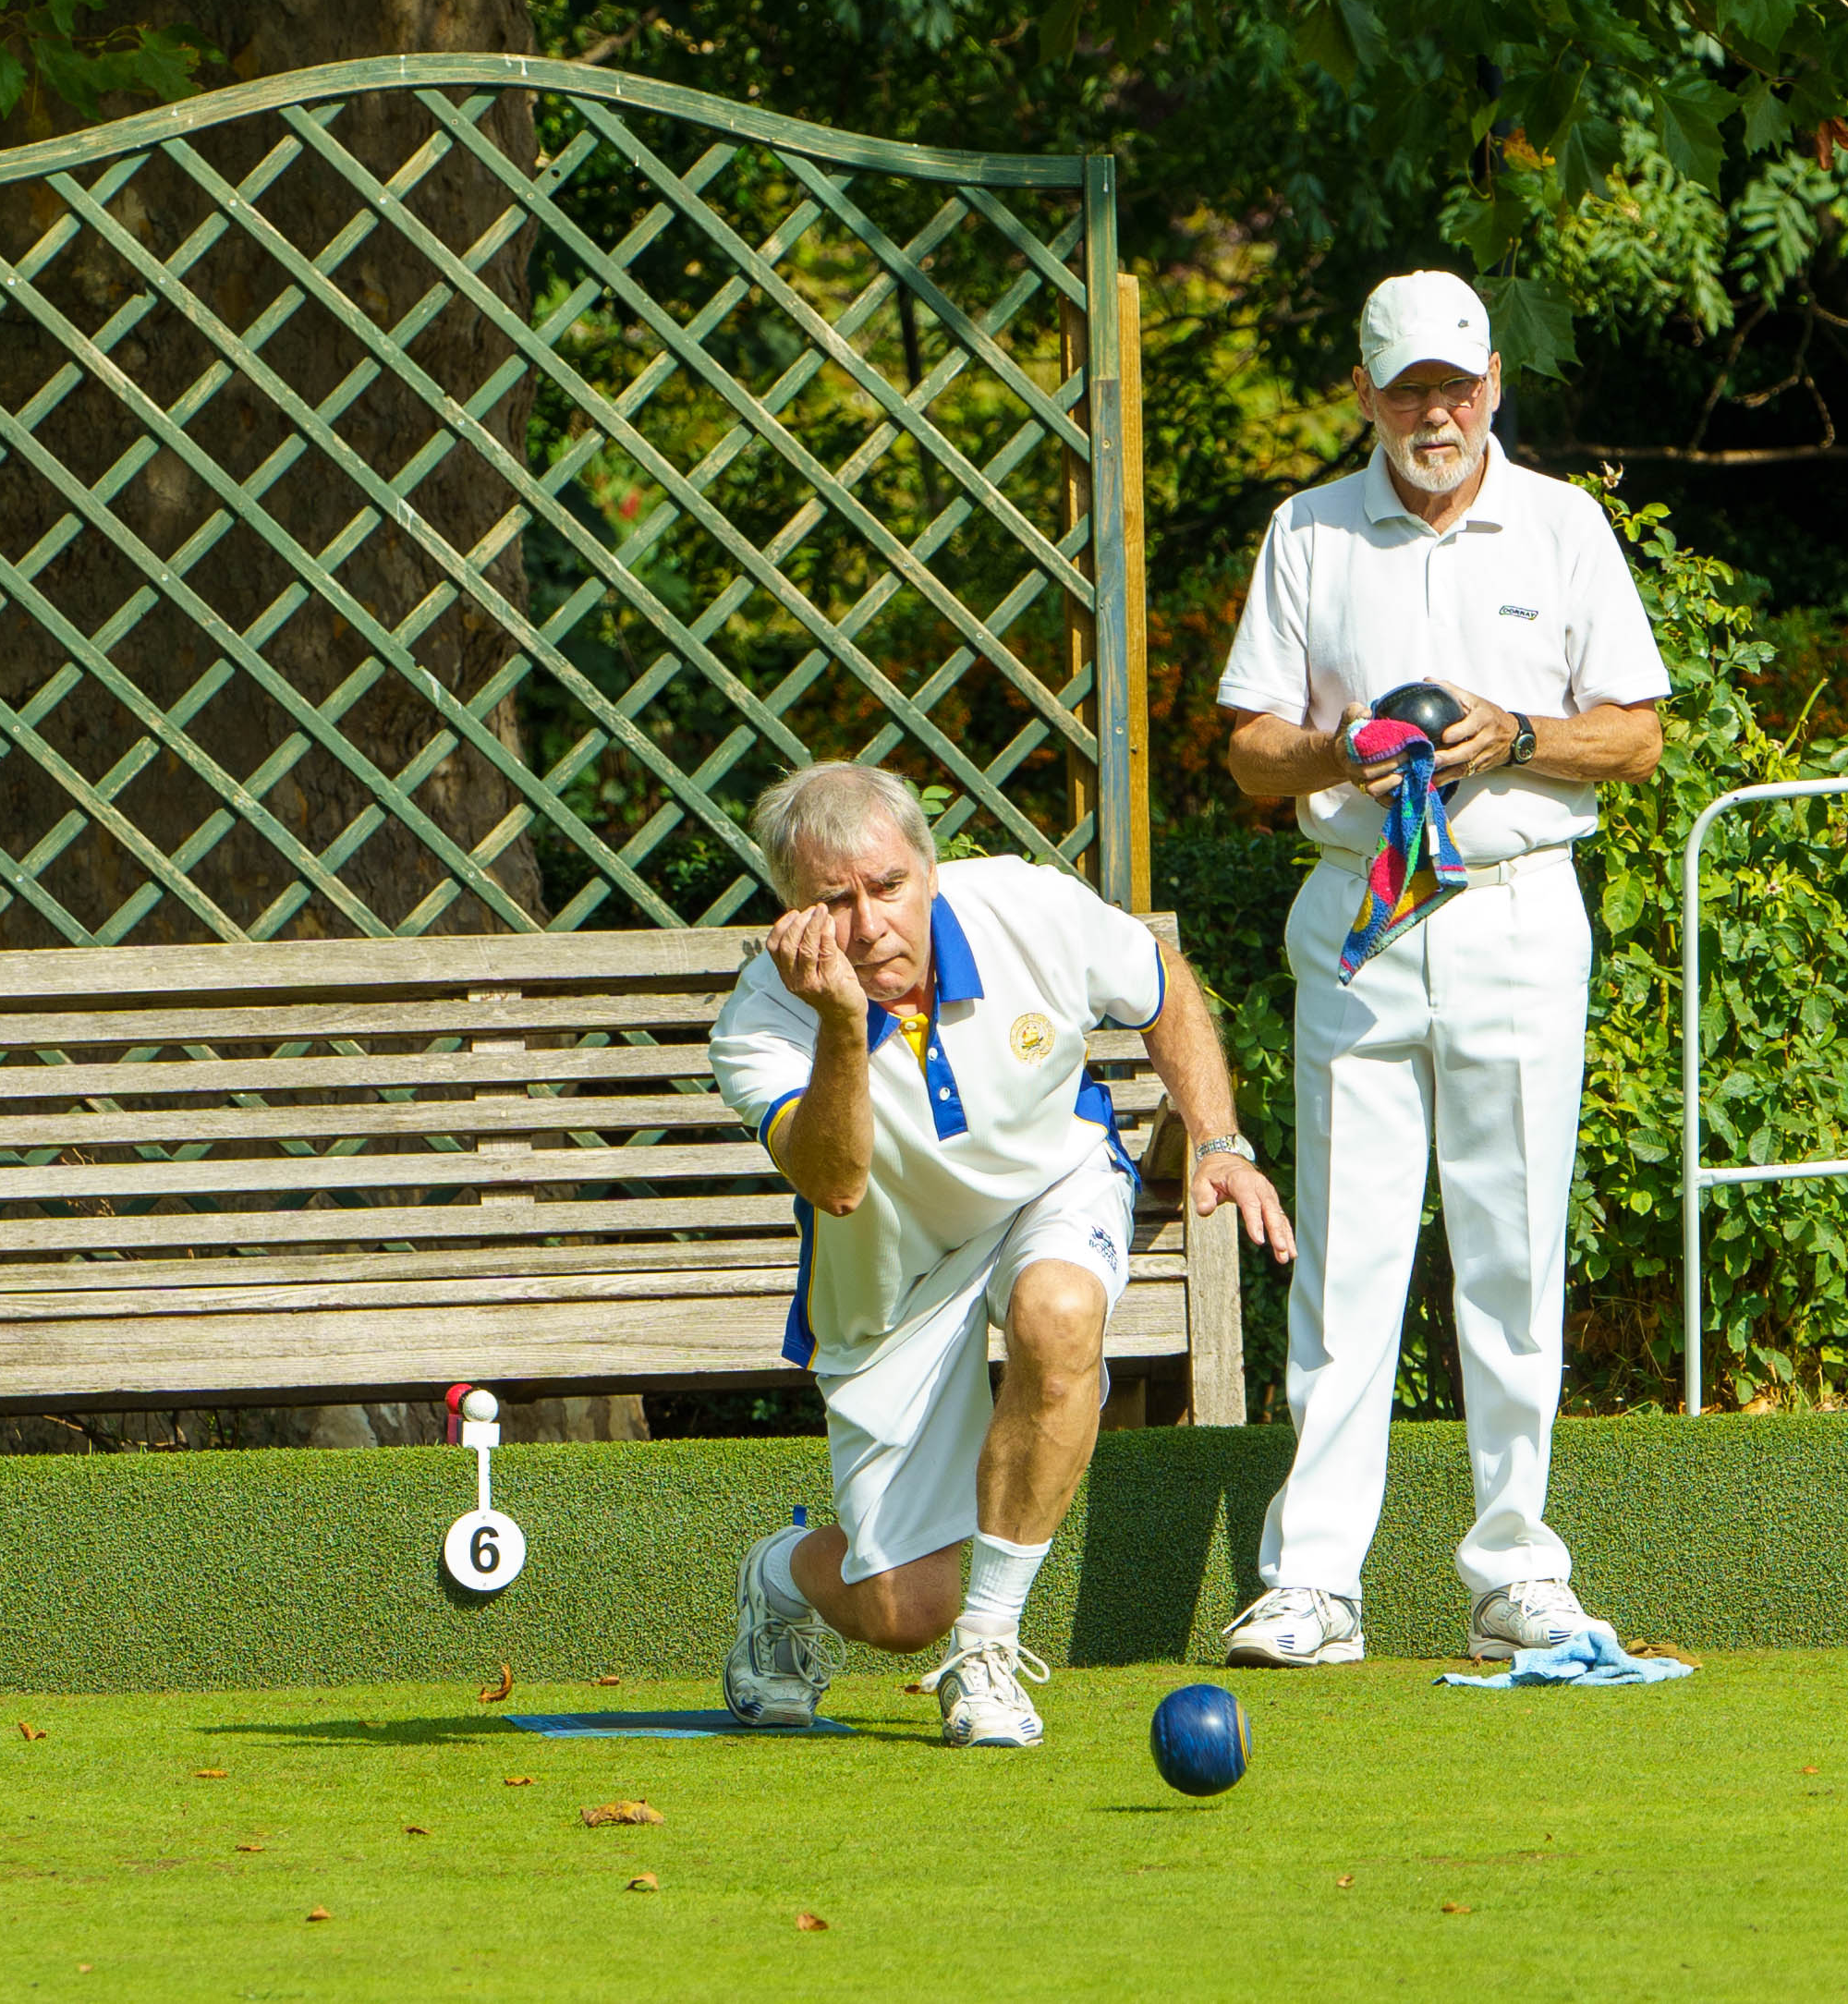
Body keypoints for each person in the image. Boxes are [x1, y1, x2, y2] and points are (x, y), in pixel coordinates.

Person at [1212, 270, 1671, 1668]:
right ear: (1363, 392)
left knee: (1512, 1254)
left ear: (1492, 390)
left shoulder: (1562, 524)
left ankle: (1515, 1570)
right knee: (1343, 1263)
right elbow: (1246, 750)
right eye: (1407, 388)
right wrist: (1338, 750)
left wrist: (1511, 737)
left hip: (1516, 914)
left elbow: (1636, 734)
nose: (1435, 412)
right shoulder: (1306, 532)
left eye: (1456, 387)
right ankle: (1315, 1583)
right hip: (1360, 916)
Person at [709, 761, 1295, 1745]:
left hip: (1048, 1186)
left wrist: (1220, 1136)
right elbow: (837, 1179)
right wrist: (843, 1028)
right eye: (832, 900)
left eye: (889, 886)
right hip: (888, 1274)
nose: (868, 925)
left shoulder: (1029, 906)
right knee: (903, 1609)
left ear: (930, 871)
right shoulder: (762, 1018)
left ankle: (987, 1647)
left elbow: (1162, 989)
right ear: (790, 912)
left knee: (1060, 1311)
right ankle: (781, 1574)